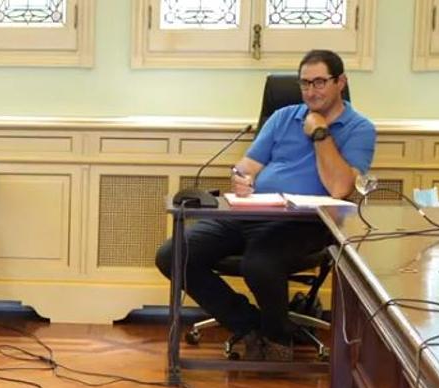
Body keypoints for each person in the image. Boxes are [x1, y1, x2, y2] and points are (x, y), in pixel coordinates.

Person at [155, 49, 376, 362]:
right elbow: (246, 166)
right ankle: (251, 325)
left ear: (341, 82)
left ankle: (276, 339)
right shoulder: (283, 117)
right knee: (173, 253)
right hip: (253, 212)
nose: (310, 91)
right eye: (304, 84)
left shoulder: (360, 129)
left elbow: (340, 188)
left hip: (307, 224)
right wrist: (240, 178)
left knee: (259, 263)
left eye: (319, 82)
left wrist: (319, 132)